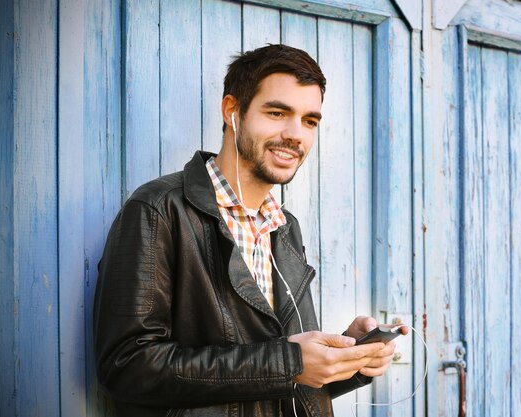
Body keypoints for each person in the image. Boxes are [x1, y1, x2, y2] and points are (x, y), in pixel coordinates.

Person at [94, 44, 404, 417]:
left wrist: (346, 356)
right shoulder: (159, 210)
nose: (295, 135)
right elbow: (127, 366)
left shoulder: (285, 227)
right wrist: (289, 362)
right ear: (232, 111)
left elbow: (278, 379)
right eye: (277, 112)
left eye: (310, 121)